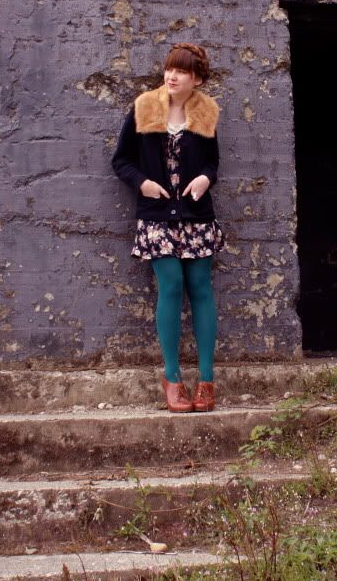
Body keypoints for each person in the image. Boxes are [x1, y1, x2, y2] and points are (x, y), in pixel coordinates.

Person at [111, 42, 225, 413]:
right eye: (169, 70)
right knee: (172, 286)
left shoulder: (206, 113)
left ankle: (206, 380)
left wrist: (206, 179)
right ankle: (172, 378)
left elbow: (213, 163)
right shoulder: (144, 108)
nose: (172, 76)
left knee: (201, 289)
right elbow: (121, 160)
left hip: (195, 216)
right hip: (157, 216)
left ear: (197, 79)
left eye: (181, 72)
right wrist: (141, 182)